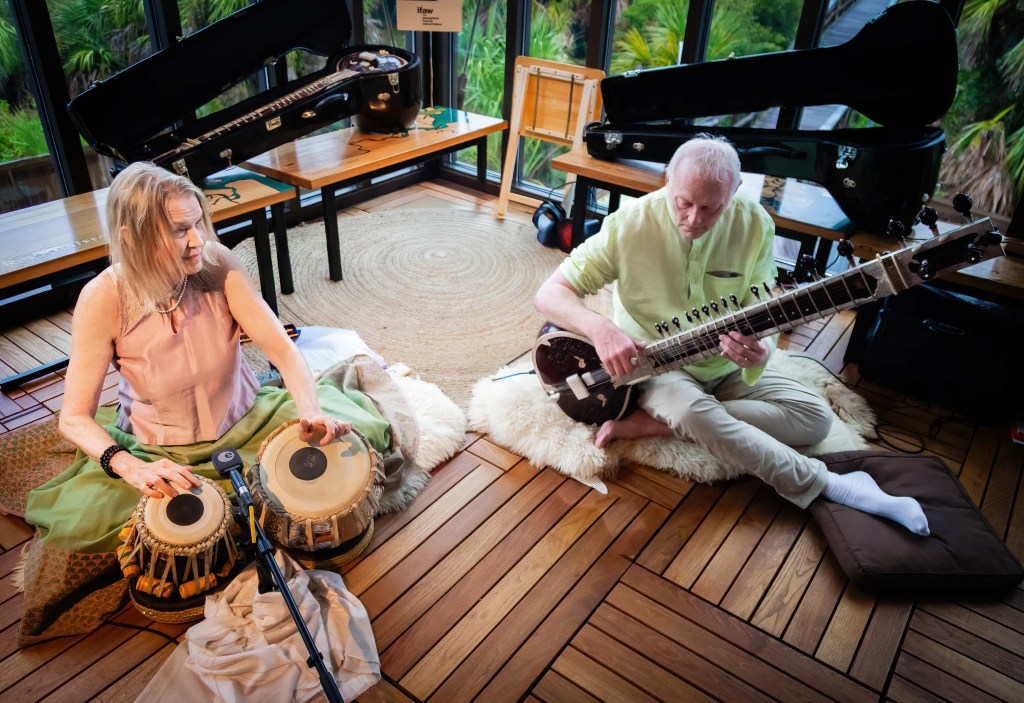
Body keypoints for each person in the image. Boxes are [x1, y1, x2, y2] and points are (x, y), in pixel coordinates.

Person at [19, 161, 395, 643]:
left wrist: (310, 410)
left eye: (198, 223)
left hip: (251, 421)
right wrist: (132, 469)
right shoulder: (103, 298)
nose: (198, 239)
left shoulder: (218, 263)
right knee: (79, 533)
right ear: (133, 237)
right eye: (180, 230)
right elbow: (73, 417)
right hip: (159, 450)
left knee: (356, 438)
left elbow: (282, 350)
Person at [534, 135, 930, 536]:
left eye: (711, 207)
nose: (694, 218)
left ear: (735, 190)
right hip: (657, 366)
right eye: (683, 202)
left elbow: (764, 308)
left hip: (724, 364)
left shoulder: (755, 224)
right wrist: (601, 328)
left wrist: (761, 352)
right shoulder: (628, 225)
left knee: (816, 420)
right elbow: (549, 294)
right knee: (691, 412)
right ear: (668, 179)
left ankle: (656, 424)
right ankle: (835, 486)